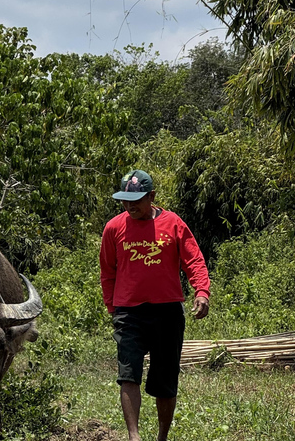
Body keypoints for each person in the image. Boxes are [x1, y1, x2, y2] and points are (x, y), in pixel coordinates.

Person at [99, 170, 210, 441]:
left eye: (136, 200)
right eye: (125, 200)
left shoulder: (173, 224)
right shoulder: (114, 228)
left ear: (151, 197)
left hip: (167, 311)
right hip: (129, 312)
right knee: (128, 374)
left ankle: (162, 437)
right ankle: (134, 437)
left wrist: (202, 292)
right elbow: (107, 272)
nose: (129, 206)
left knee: (165, 381)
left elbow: (193, 260)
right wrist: (113, 308)